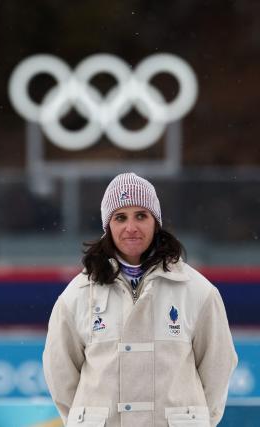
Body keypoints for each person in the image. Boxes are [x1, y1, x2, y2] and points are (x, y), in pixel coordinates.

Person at [43, 172, 237, 427]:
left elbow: (218, 368)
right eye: (120, 217)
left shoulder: (198, 292)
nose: (131, 228)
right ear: (107, 226)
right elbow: (60, 375)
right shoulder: (77, 295)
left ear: (155, 222)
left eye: (141, 216)